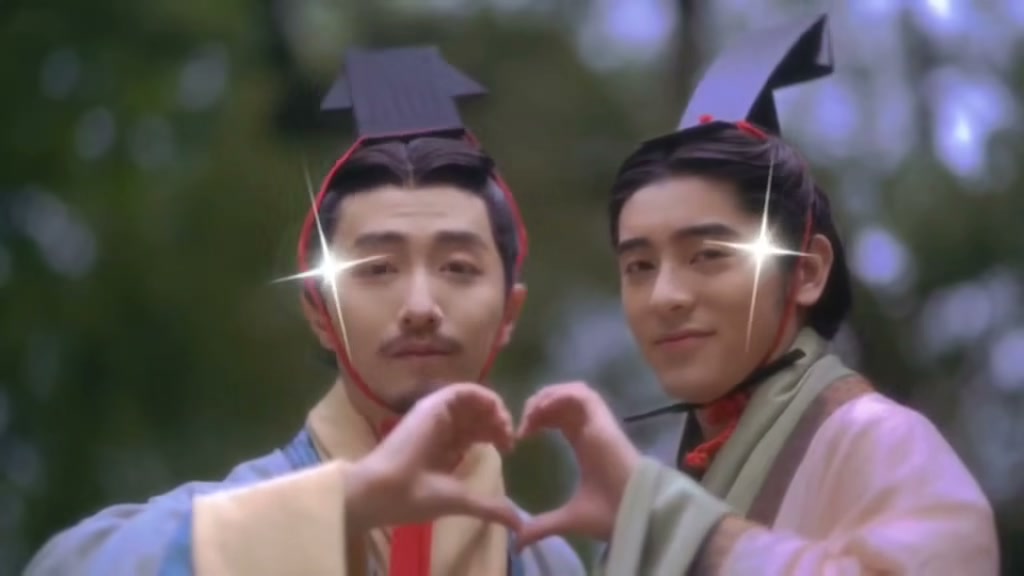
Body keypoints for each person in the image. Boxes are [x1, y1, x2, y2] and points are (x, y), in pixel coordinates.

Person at [25, 46, 582, 576]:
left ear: (510, 313)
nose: (420, 307)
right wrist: (340, 506)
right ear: (319, 312)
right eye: (377, 268)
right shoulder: (215, 521)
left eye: (458, 267)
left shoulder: (546, 562)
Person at [512, 13, 999, 575]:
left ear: (807, 271)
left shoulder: (881, 441)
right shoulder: (675, 471)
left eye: (708, 255)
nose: (665, 296)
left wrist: (683, 530)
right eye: (639, 266)